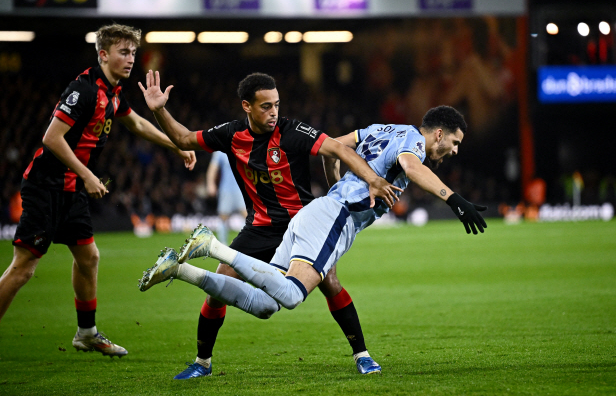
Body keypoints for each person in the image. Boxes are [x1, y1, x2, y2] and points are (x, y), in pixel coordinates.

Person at [138, 105, 488, 373]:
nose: (455, 151)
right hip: (335, 217)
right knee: (291, 296)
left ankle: (178, 271)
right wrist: (454, 200)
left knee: (265, 305)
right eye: (455, 143)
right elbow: (411, 167)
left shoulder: (385, 128)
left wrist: (336, 177)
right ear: (439, 134)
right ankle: (212, 246)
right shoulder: (414, 143)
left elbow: (338, 146)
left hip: (315, 213)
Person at [137, 70, 401, 378]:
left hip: (303, 223)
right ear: (246, 106)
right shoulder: (231, 134)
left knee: (330, 283)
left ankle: (362, 355)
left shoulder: (294, 132)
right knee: (219, 289)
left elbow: (339, 149)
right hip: (259, 227)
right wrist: (158, 110)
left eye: (276, 104)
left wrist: (373, 179)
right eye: (265, 106)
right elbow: (183, 138)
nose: (274, 112)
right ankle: (202, 363)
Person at [0, 24, 196, 357]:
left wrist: (176, 144)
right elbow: (51, 138)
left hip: (71, 187)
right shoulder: (85, 90)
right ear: (103, 54)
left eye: (133, 52)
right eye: (123, 52)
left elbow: (135, 123)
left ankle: (87, 334)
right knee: (24, 268)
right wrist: (88, 174)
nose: (130, 58)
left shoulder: (113, 91)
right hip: (46, 185)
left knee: (89, 257)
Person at [206, 151, 247, 242]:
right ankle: (223, 245)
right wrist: (210, 184)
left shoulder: (241, 146)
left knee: (248, 216)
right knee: (223, 217)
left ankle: (248, 242)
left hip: (242, 189)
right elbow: (212, 168)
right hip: (226, 190)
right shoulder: (220, 151)